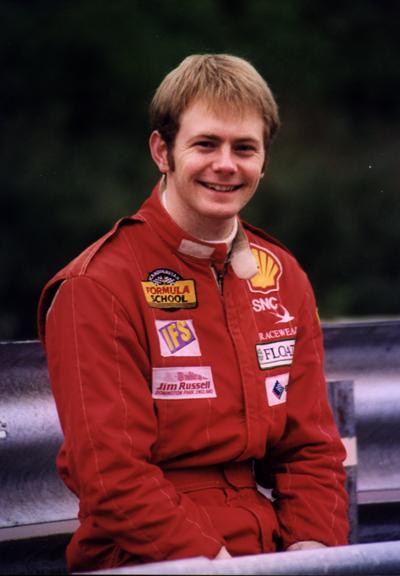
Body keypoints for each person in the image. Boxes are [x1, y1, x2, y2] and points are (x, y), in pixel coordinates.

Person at [38, 54, 349, 572]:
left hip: (265, 551)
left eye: (244, 148)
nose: (226, 164)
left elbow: (310, 450)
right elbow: (110, 474)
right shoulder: (96, 285)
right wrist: (215, 565)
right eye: (205, 144)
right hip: (143, 558)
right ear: (162, 151)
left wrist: (312, 553)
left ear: (264, 161)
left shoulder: (283, 275)